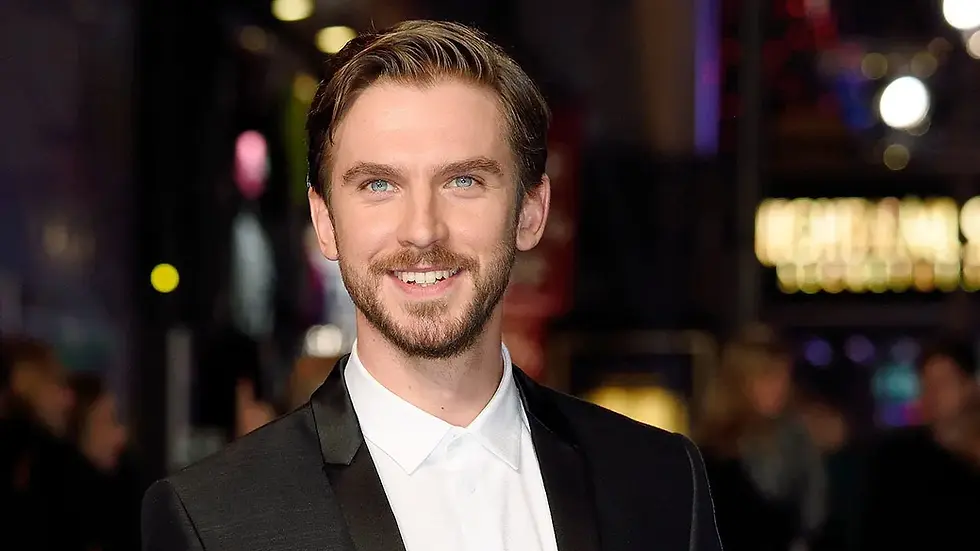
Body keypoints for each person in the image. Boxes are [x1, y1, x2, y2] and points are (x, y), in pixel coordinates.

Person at [141, 20, 722, 551]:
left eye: (464, 180)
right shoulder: (214, 520)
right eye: (378, 185)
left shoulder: (661, 483)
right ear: (325, 221)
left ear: (530, 211)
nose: (422, 230)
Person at [695, 325, 826, 551]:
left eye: (783, 376)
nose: (780, 387)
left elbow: (813, 515)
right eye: (768, 377)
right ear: (739, 381)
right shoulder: (713, 453)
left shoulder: (796, 440)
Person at [862, 337, 980, 550]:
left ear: (969, 387)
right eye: (926, 385)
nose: (932, 395)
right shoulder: (898, 458)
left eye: (943, 383)